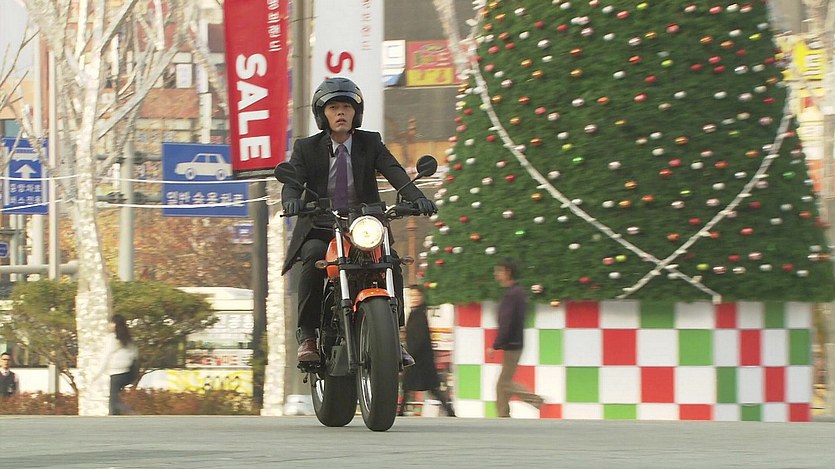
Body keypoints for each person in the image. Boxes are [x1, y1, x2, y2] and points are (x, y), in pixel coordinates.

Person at [277, 76, 437, 364]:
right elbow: (293, 180)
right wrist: (291, 200)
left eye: (347, 107)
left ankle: (393, 337)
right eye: (333, 107)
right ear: (322, 114)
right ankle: (308, 335)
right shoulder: (306, 147)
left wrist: (417, 198)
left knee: (391, 262)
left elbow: (395, 172)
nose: (341, 112)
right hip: (322, 225)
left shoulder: (370, 142)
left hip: (363, 225)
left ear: (356, 112)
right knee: (313, 257)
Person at [486, 257, 544, 418]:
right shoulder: (515, 293)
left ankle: (535, 400)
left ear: (508, 272)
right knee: (501, 385)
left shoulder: (513, 294)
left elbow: (507, 321)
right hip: (513, 342)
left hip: (512, 343)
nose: (496, 274)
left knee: (504, 383)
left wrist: (496, 345)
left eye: (499, 271)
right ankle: (503, 415)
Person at [399, 285, 455, 417]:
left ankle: (401, 411)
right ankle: (449, 411)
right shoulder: (417, 313)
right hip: (420, 357)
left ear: (422, 297)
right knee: (426, 386)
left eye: (417, 295)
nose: (414, 298)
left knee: (415, 386)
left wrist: (410, 352)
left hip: (419, 358)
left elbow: (419, 338)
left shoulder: (419, 314)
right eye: (412, 295)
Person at [95, 314, 139, 415]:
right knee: (114, 403)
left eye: (110, 322)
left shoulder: (112, 338)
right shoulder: (127, 338)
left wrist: (97, 374)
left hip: (116, 374)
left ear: (114, 324)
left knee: (113, 403)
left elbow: (105, 356)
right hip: (127, 373)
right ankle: (118, 418)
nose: (108, 325)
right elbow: (135, 354)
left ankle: (130, 411)